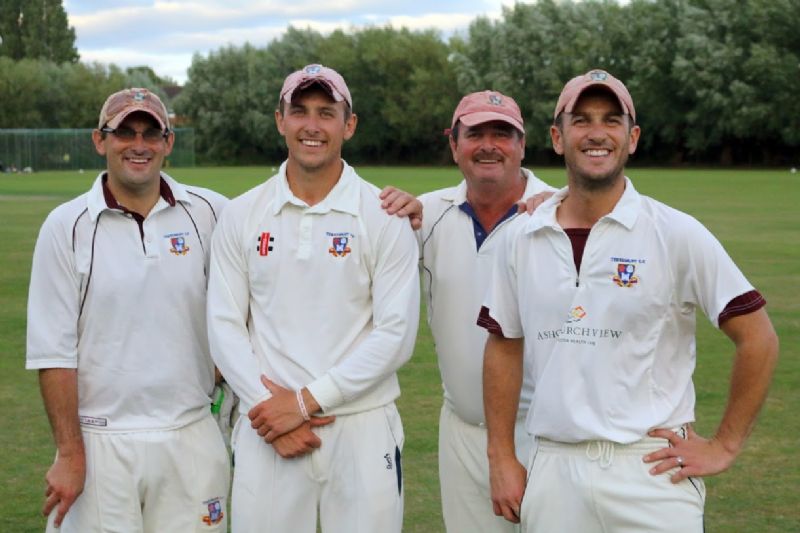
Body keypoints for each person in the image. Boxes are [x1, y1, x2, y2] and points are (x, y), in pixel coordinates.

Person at [479, 69, 779, 532]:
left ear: (632, 137)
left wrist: (724, 445)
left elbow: (757, 336)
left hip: (651, 467)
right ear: (557, 138)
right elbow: (503, 345)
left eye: (611, 120)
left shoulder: (676, 232)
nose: (596, 133)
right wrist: (501, 456)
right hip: (556, 467)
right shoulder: (519, 238)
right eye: (581, 120)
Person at [206, 64, 420, 533]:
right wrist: (270, 411)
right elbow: (223, 324)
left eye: (327, 113)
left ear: (349, 125)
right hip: (269, 429)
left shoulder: (383, 216)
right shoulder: (242, 213)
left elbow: (396, 336)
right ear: (280, 119)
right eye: (299, 111)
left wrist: (303, 403)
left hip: (361, 426)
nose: (312, 126)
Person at [26, 88, 230, 532]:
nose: (139, 145)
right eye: (125, 132)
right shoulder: (66, 226)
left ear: (168, 142)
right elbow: (53, 352)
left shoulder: (213, 211)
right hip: (102, 442)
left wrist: (395, 211)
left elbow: (264, 280)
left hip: (191, 432)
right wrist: (70, 453)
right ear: (100, 140)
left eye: (151, 133)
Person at [389, 90, 554, 532]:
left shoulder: (562, 210)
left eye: (502, 134)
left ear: (522, 144)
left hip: (550, 436)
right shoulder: (427, 214)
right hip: (462, 428)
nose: (488, 145)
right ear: (454, 144)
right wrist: (388, 213)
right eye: (475, 133)